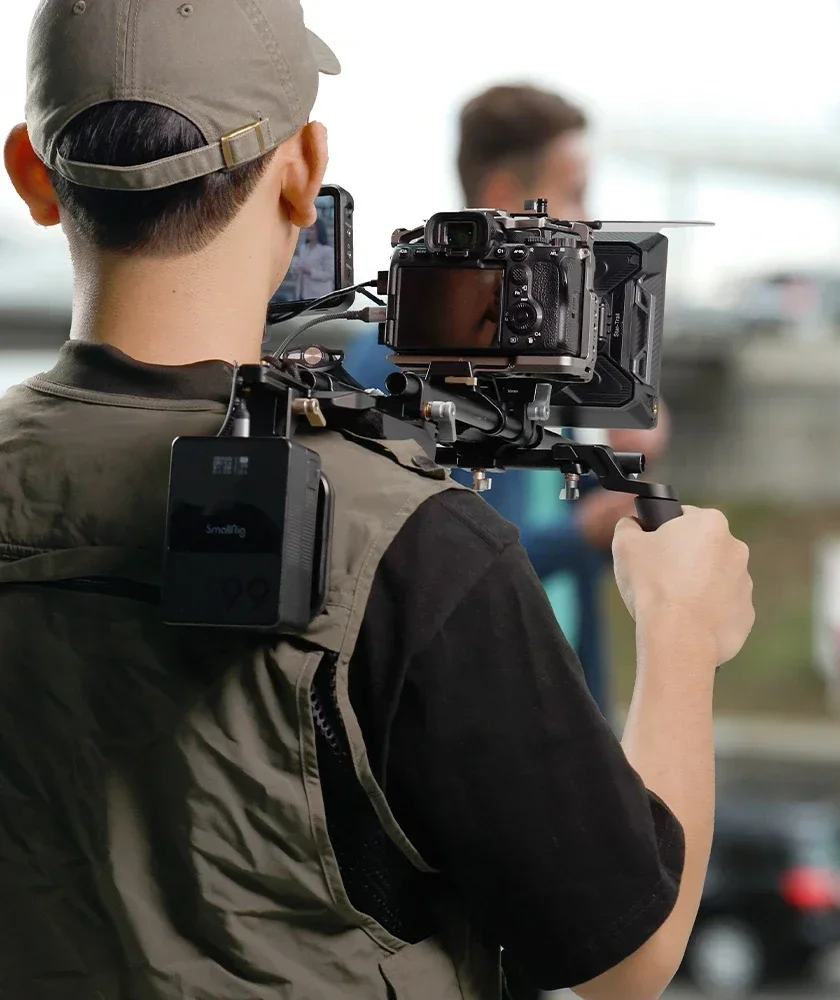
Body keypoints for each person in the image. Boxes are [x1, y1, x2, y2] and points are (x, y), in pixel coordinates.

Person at [0, 4, 754, 998]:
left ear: (31, 174)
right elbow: (626, 960)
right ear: (304, 171)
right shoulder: (415, 544)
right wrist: (682, 634)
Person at [346, 84, 668, 717]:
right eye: (573, 191)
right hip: (465, 726)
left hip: (562, 711)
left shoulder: (554, 359)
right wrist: (582, 534)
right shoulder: (389, 369)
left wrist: (623, 473)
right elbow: (427, 572)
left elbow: (555, 523)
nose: (588, 218)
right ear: (502, 197)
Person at [290, 218, 337, 299]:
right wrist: (295, 270)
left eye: (311, 229)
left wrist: (310, 272)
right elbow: (297, 266)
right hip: (302, 294)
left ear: (319, 231)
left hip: (319, 295)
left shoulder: (327, 251)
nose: (308, 232)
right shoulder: (303, 248)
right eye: (307, 229)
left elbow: (329, 274)